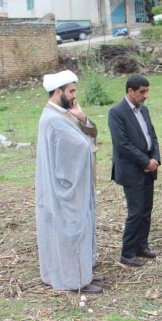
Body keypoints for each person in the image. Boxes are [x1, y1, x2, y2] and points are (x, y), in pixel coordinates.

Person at [36, 70, 102, 293]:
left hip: (77, 183)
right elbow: (81, 147)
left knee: (81, 227)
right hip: (66, 186)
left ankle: (85, 271)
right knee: (70, 230)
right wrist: (84, 136)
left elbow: (91, 133)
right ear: (58, 91)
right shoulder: (54, 119)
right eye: (71, 90)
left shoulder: (64, 114)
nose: (75, 94)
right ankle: (74, 280)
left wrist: (81, 117)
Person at [108, 75, 161, 267]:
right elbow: (122, 144)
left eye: (147, 91)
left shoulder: (143, 110)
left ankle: (141, 245)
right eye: (142, 92)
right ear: (130, 91)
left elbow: (152, 136)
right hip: (132, 170)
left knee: (146, 209)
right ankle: (128, 252)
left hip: (148, 167)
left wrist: (155, 157)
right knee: (136, 211)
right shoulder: (117, 112)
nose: (145, 95)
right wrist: (145, 161)